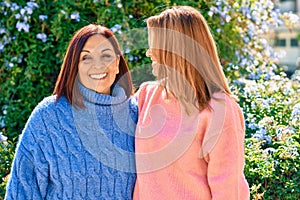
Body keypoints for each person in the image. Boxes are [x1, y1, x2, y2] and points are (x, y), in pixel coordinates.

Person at [5, 24, 138, 199]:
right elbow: (22, 191)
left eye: (106, 56)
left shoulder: (137, 115)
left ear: (118, 63)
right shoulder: (49, 117)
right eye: (86, 58)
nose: (97, 65)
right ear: (75, 66)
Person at [133, 6, 250, 199]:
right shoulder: (147, 94)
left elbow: (229, 189)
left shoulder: (219, 110)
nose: (149, 53)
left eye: (154, 46)